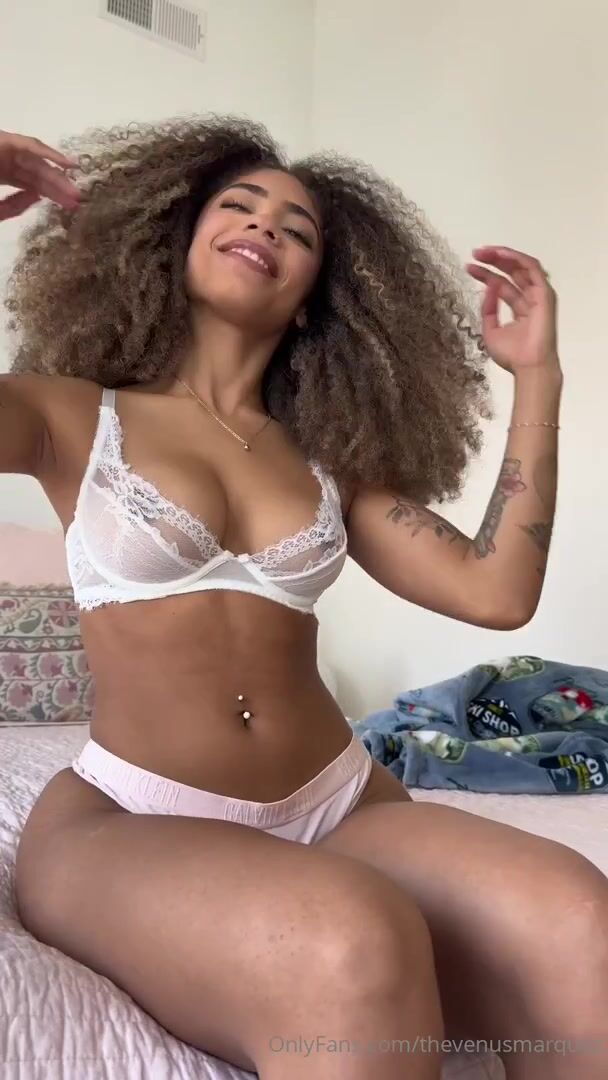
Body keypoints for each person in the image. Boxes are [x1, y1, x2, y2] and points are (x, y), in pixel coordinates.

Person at [1, 118, 606, 1080]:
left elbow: (498, 591)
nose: (265, 227)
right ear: (174, 240)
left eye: (298, 230)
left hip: (338, 803)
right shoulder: (69, 415)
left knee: (578, 914)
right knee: (350, 938)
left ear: (314, 294)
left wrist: (538, 375)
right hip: (133, 816)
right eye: (238, 206)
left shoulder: (329, 468)